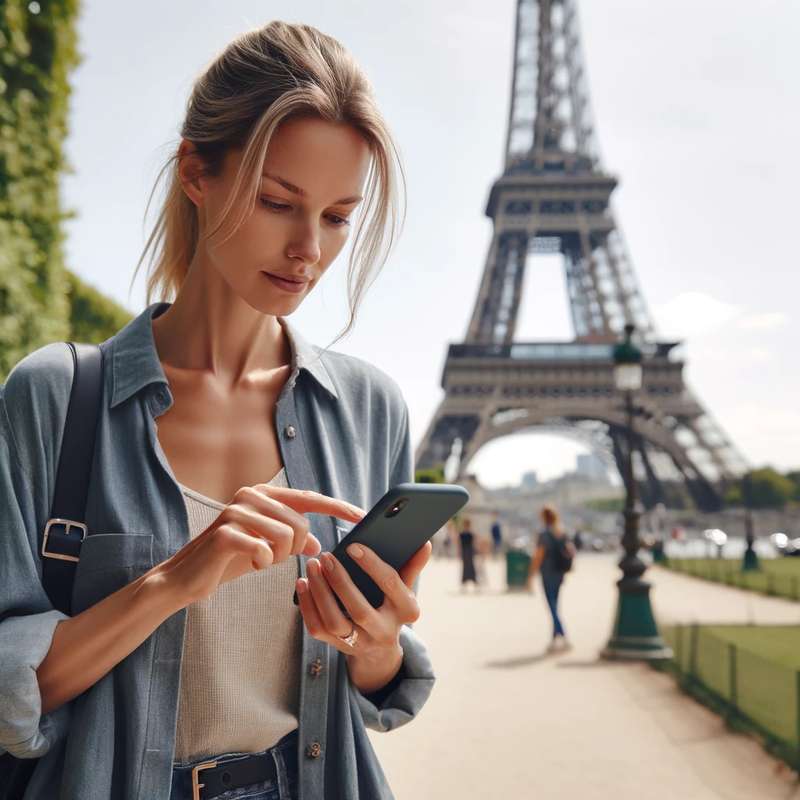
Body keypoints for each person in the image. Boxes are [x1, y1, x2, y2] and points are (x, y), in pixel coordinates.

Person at [0, 22, 435, 800]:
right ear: (196, 172)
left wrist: (375, 644)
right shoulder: (54, 399)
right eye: (277, 202)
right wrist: (174, 579)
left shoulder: (371, 409)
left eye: (337, 217)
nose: (309, 248)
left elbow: (373, 688)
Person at [525, 505, 575, 652]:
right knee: (555, 605)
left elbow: (539, 555)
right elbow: (570, 550)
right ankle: (554, 639)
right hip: (560, 573)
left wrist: (530, 575)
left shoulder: (544, 534)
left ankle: (563, 635)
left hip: (548, 573)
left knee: (552, 607)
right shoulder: (561, 532)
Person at [457, 517, 479, 592]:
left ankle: (474, 582)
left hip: (469, 551)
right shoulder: (462, 534)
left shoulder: (471, 534)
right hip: (465, 551)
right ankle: (465, 583)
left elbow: (474, 543)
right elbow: (459, 544)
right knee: (465, 567)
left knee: (471, 567)